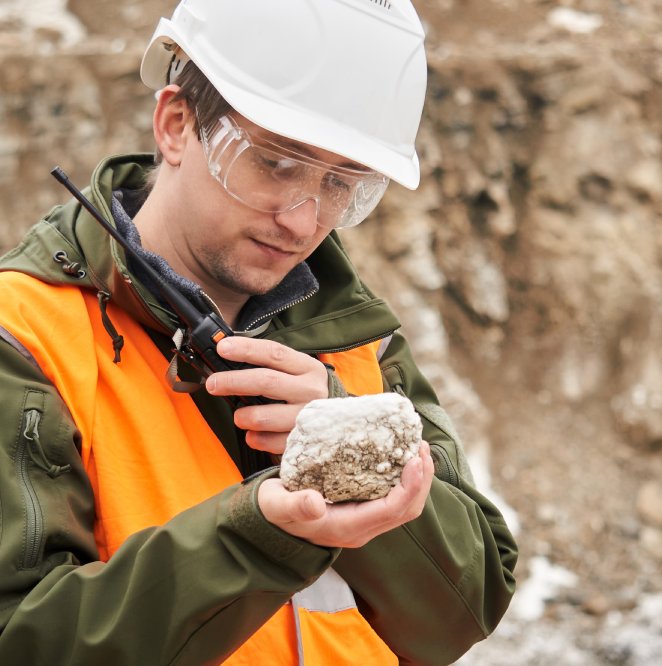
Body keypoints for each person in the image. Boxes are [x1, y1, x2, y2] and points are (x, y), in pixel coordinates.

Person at [0, 0, 517, 663]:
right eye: (275, 164)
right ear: (177, 124)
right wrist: (258, 537)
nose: (303, 222)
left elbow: (462, 612)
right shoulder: (25, 339)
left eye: (341, 184)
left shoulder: (356, 343)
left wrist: (355, 458)